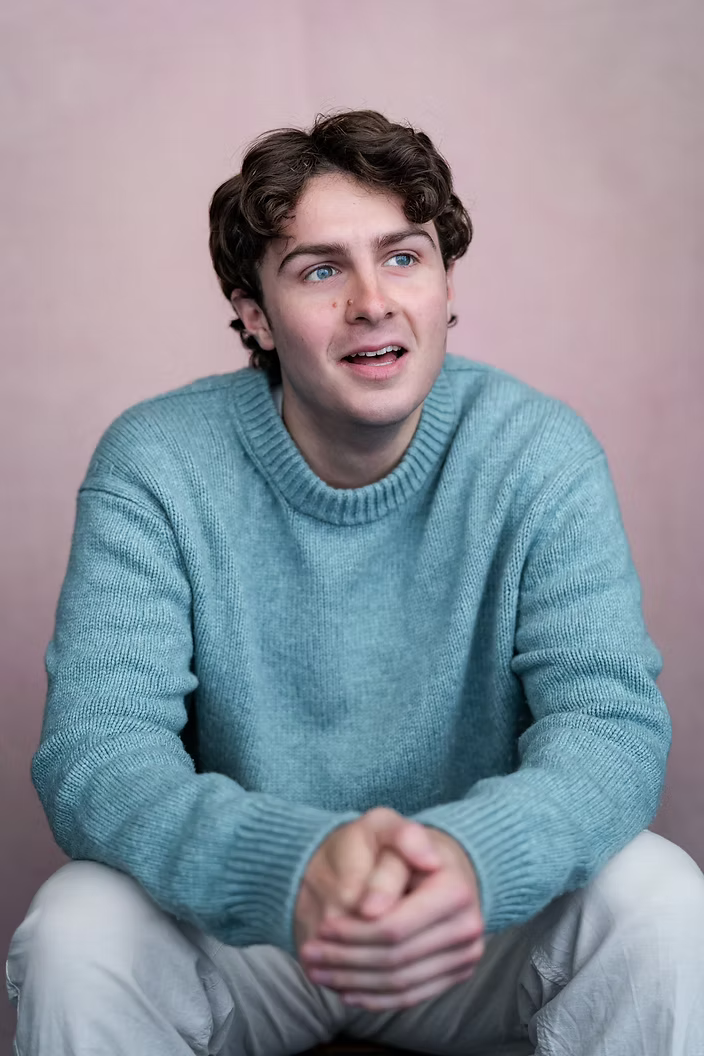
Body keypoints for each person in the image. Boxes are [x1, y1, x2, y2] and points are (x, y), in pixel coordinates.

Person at [6, 109, 704, 1056]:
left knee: (662, 897)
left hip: (472, 921)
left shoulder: (538, 452)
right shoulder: (157, 463)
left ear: (446, 286)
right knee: (77, 927)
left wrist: (472, 858)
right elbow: (98, 751)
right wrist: (294, 868)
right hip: (254, 920)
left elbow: (609, 726)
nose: (373, 302)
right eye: (320, 271)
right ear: (255, 314)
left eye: (404, 257)